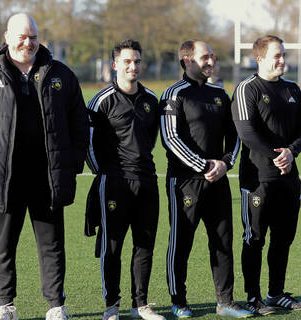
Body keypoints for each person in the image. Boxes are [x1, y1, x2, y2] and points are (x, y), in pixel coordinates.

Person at [0, 13, 88, 320]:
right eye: (22, 36)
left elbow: (79, 124)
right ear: (6, 37)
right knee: (3, 247)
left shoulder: (61, 75)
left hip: (47, 178)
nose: (28, 43)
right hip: (5, 178)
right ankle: (5, 305)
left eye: (33, 37)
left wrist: (71, 164)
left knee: (52, 246)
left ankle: (56, 306)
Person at [159, 39, 252, 319]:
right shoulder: (173, 94)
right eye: (205, 57)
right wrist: (203, 165)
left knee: (223, 241)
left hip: (218, 180)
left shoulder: (219, 93)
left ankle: (225, 302)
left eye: (213, 56)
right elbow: (170, 138)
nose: (211, 61)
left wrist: (225, 163)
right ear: (187, 60)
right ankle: (179, 300)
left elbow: (234, 135)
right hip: (185, 181)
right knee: (181, 241)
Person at [85, 39, 165, 320]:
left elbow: (151, 139)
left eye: (138, 61)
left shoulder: (151, 100)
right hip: (115, 183)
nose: (133, 66)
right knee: (113, 246)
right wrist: (105, 172)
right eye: (128, 61)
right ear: (115, 65)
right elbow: (89, 145)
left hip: (147, 182)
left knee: (145, 246)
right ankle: (111, 307)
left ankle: (140, 305)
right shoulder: (101, 100)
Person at [231, 35, 301, 316]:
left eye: (283, 54)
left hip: (289, 178)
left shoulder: (293, 89)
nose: (282, 59)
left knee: (284, 238)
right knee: (255, 239)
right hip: (257, 179)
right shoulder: (247, 88)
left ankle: (275, 293)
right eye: (276, 55)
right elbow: (247, 134)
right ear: (259, 59)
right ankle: (253, 297)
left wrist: (291, 152)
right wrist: (277, 156)